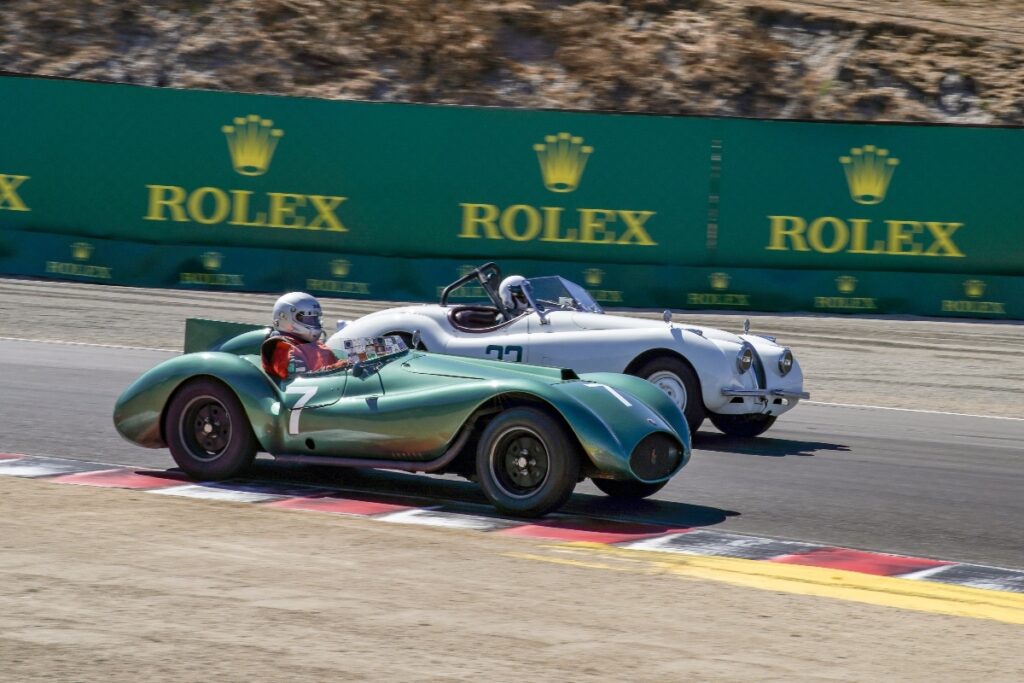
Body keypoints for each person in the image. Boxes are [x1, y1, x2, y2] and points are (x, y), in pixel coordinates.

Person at [264, 291, 346, 378]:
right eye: (308, 318)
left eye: (315, 318)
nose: (314, 322)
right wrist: (334, 368)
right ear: (284, 317)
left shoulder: (318, 345)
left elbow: (340, 366)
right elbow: (297, 381)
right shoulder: (281, 348)